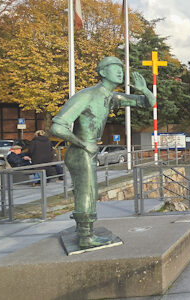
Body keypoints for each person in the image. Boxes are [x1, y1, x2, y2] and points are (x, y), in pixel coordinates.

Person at [51, 56, 155, 249]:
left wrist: (144, 90)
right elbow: (58, 127)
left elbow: (147, 103)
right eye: (114, 67)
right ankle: (85, 237)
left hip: (88, 150)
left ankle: (85, 231)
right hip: (80, 151)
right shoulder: (87, 95)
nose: (120, 71)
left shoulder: (111, 97)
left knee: (89, 191)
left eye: (121, 68)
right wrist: (83, 144)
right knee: (87, 192)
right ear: (102, 72)